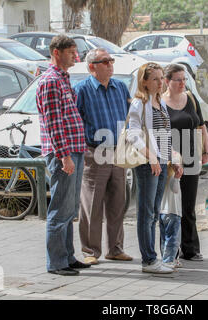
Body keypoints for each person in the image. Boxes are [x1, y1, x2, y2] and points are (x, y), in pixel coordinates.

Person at [36, 35, 91, 276]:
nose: (75, 56)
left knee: (69, 208)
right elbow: (54, 123)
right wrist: (64, 155)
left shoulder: (63, 78)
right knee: (59, 208)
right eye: (70, 51)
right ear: (56, 53)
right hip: (63, 153)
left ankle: (67, 256)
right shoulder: (50, 81)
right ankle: (57, 262)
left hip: (74, 151)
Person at [74, 48, 133, 265]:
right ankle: (91, 251)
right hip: (94, 151)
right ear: (92, 67)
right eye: (105, 61)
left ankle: (115, 249)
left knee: (118, 202)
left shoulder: (121, 88)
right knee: (92, 204)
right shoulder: (81, 90)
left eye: (111, 61)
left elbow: (129, 119)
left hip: (118, 151)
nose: (110, 64)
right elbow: (75, 123)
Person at [127, 62, 182, 274]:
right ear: (145, 82)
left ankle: (151, 259)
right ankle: (148, 260)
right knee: (146, 212)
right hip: (147, 164)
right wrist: (151, 157)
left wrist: (172, 159)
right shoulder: (140, 103)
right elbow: (133, 134)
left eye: (161, 78)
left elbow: (164, 136)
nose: (160, 83)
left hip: (161, 163)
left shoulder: (160, 102)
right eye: (155, 79)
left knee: (154, 212)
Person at [162, 63, 208, 262]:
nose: (182, 83)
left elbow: (201, 126)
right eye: (178, 80)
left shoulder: (190, 98)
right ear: (167, 81)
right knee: (170, 206)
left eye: (184, 79)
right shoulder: (160, 102)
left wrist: (206, 151)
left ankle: (190, 248)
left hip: (191, 158)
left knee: (189, 205)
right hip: (170, 160)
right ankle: (170, 249)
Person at [159, 164, 183, 269]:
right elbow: (175, 189)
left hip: (162, 211)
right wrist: (177, 177)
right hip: (173, 211)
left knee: (164, 238)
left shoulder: (162, 178)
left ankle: (167, 258)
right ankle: (168, 261)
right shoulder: (173, 177)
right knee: (173, 239)